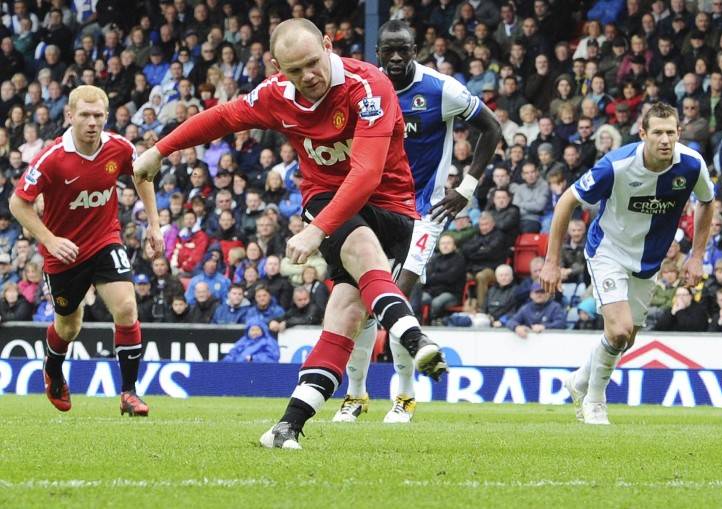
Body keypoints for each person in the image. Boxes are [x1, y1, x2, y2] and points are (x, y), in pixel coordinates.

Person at [131, 19, 446, 449]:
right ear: (278, 68)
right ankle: (408, 338)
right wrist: (159, 149)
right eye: (295, 70)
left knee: (346, 314)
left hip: (391, 206)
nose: (309, 76)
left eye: (314, 63)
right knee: (355, 273)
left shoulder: (368, 86)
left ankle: (286, 426)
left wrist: (316, 231)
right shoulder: (276, 94)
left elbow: (367, 174)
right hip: (326, 197)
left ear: (328, 45)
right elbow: (223, 118)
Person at [335, 20, 500, 424]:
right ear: (377, 53)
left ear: (415, 50)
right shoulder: (364, 89)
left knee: (394, 299)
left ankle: (405, 396)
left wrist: (467, 187)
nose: (395, 57)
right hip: (373, 210)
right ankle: (355, 395)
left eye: (403, 50)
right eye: (388, 50)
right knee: (361, 304)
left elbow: (491, 127)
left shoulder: (441, 90)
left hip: (423, 214)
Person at [540, 102, 714, 425]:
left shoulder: (692, 165)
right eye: (658, 132)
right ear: (642, 133)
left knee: (626, 338)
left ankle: (579, 380)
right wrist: (552, 261)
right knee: (618, 330)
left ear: (679, 133)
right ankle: (594, 401)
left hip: (648, 261)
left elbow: (706, 201)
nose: (665, 140)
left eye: (671, 132)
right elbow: (566, 201)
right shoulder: (615, 166)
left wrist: (697, 255)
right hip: (608, 251)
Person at [10, 85, 162, 416]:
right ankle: (52, 369)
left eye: (98, 115)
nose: (92, 122)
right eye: (84, 115)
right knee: (70, 326)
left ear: (106, 116)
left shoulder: (119, 147)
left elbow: (143, 175)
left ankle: (129, 393)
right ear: (70, 116)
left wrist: (154, 223)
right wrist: (50, 240)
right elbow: (18, 204)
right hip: (63, 253)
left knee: (126, 307)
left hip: (105, 240)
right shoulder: (52, 158)